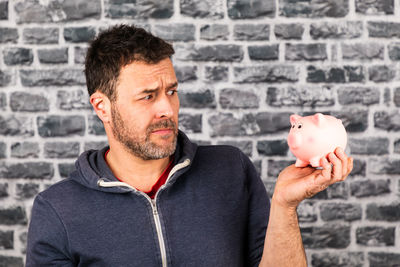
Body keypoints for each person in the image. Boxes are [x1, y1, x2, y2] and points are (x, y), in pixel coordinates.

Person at [26, 24, 353, 267]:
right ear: (102, 107)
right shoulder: (57, 210)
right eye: (148, 96)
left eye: (171, 91)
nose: (167, 108)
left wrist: (284, 204)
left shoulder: (230, 170)